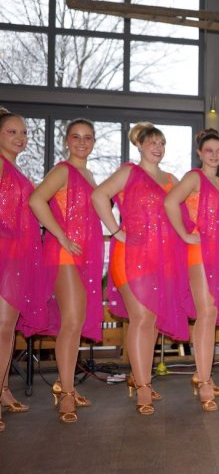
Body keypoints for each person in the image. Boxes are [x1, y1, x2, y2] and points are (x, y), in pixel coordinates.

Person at [92, 122, 190, 415]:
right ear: (139, 145)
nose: (158, 148)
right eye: (152, 142)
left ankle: (141, 377)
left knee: (153, 320)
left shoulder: (171, 179)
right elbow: (98, 196)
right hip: (131, 255)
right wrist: (115, 231)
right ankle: (143, 387)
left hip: (162, 259)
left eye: (162, 143)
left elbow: (187, 212)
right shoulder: (129, 172)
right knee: (142, 317)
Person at [29, 119, 104, 423]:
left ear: (94, 141)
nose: (82, 142)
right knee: (72, 321)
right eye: (76, 137)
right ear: (67, 141)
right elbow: (36, 200)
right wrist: (60, 235)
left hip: (85, 256)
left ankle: (65, 383)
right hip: (64, 254)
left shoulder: (89, 175)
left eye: (88, 137)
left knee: (74, 322)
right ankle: (67, 393)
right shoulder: (62, 170)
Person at [164, 128, 219, 411]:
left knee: (210, 314)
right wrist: (184, 234)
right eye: (209, 151)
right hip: (198, 251)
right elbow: (169, 202)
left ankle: (204, 374)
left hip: (217, 254)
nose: (214, 155)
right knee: (206, 313)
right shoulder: (194, 177)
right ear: (199, 153)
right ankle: (203, 381)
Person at [0, 108, 45, 432]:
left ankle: (3, 389)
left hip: (17, 258)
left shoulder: (15, 169)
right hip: (4, 253)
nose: (21, 137)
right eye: (12, 131)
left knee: (8, 329)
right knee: (2, 329)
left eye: (24, 132)